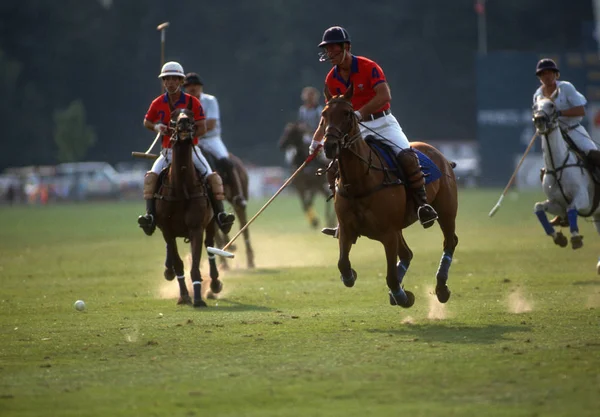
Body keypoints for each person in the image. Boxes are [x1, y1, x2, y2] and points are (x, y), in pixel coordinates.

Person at [310, 26, 438, 237]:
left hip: (383, 123)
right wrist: (316, 141)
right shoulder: (331, 79)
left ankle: (423, 205)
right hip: (355, 128)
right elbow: (330, 114)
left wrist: (359, 114)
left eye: (333, 49)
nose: (329, 53)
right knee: (334, 168)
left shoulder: (369, 67)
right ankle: (343, 220)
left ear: (346, 47)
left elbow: (384, 95)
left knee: (406, 156)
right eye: (327, 50)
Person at [137, 61, 235, 236]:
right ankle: (150, 217)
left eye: (175, 79)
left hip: (191, 151)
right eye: (167, 79)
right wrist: (156, 127)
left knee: (213, 178)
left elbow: (203, 128)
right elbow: (147, 121)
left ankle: (220, 215)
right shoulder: (158, 102)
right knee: (151, 178)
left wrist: (188, 135)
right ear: (163, 82)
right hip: (167, 152)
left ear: (181, 81)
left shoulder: (192, 102)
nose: (171, 83)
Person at [534, 58, 600, 226]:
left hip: (574, 131)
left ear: (556, 74)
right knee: (548, 170)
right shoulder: (538, 96)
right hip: (555, 136)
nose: (546, 76)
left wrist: (559, 114)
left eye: (549, 73)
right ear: (539, 77)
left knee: (595, 157)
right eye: (543, 74)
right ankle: (560, 210)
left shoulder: (566, 88)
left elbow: (580, 110)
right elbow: (538, 116)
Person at [183, 72, 246, 207]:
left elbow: (210, 124)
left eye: (195, 85)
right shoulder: (183, 104)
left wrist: (192, 132)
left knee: (226, 161)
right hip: (191, 140)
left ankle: (238, 195)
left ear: (201, 87)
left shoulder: (210, 101)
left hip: (211, 139)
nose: (192, 88)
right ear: (185, 88)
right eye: (189, 86)